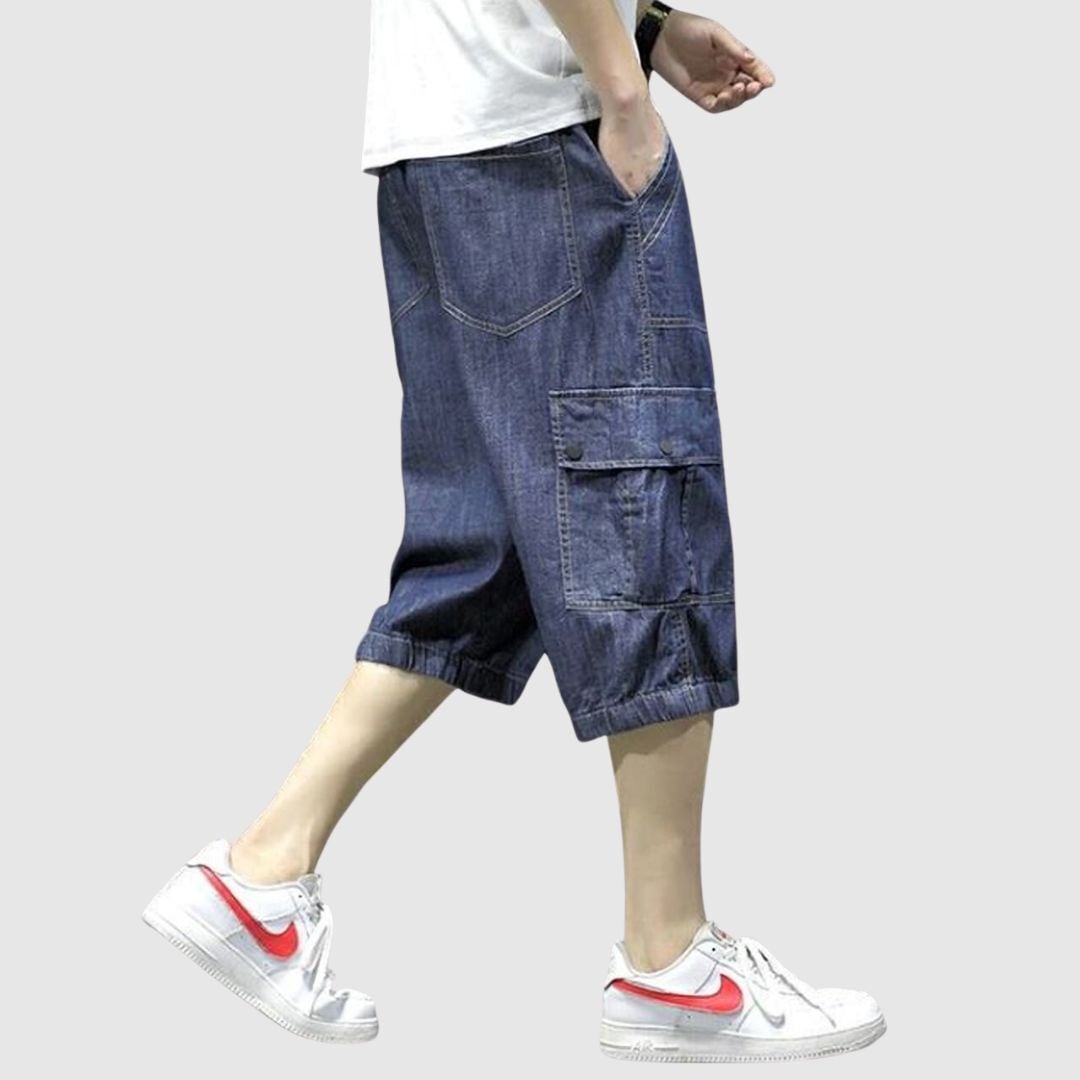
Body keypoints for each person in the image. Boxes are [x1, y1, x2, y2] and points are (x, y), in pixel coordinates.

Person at [142, 1, 886, 1062]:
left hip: (441, 149)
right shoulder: (580, 113)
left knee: (484, 549)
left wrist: (645, 26)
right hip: (543, 145)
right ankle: (673, 962)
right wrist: (619, 86)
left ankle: (259, 875)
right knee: (642, 520)